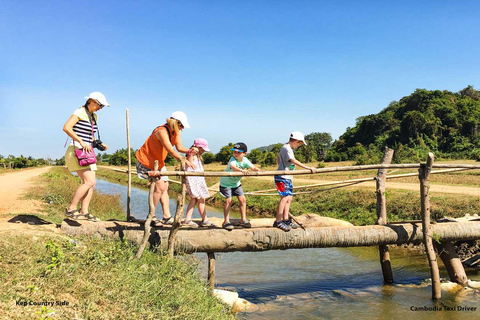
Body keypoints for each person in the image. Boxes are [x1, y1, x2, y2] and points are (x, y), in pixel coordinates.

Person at [135, 111, 194, 226]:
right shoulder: (161, 131)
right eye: (181, 125)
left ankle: (166, 216)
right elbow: (171, 151)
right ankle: (151, 216)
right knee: (159, 187)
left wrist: (191, 151)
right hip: (147, 161)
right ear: (175, 123)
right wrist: (184, 160)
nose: (182, 128)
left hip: (159, 162)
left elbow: (179, 147)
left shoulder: (176, 132)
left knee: (165, 186)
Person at [63, 92, 110, 221]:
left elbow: (90, 135)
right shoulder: (80, 112)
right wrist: (81, 141)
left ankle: (84, 211)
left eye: (103, 106)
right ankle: (71, 209)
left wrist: (99, 143)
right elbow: (67, 128)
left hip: (87, 152)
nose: (101, 108)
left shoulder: (94, 116)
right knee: (88, 181)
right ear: (92, 101)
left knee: (92, 184)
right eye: (100, 105)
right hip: (76, 150)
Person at [274, 132, 317, 231]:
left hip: (287, 177)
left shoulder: (287, 148)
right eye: (300, 144)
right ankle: (278, 221)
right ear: (296, 141)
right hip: (282, 177)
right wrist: (308, 167)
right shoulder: (287, 148)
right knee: (284, 198)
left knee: (289, 199)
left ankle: (285, 219)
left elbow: (278, 158)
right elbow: (293, 160)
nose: (299, 146)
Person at [219, 142, 261, 230]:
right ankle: (226, 221)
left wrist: (260, 171)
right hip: (226, 183)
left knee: (242, 199)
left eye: (238, 152)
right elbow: (233, 167)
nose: (236, 154)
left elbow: (253, 167)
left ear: (244, 153)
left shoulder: (245, 160)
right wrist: (242, 171)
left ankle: (243, 220)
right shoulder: (233, 159)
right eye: (234, 152)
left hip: (236, 184)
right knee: (229, 200)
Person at [182, 138, 216, 228]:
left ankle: (187, 219)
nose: (203, 151)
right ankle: (205, 219)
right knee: (201, 200)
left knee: (194, 200)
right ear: (197, 147)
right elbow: (189, 162)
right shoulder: (192, 154)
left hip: (198, 179)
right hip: (194, 180)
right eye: (202, 149)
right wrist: (192, 152)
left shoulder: (198, 156)